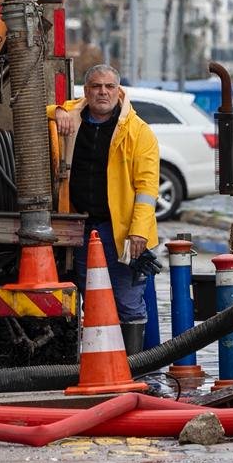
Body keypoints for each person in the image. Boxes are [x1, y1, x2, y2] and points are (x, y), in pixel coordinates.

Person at [50, 64, 161, 353]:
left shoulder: (139, 133)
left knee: (127, 300)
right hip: (83, 229)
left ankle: (133, 368)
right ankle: (102, 362)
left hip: (121, 232)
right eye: (97, 87)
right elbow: (41, 111)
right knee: (92, 297)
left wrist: (138, 232)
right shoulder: (72, 118)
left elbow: (147, 189)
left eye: (109, 87)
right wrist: (57, 112)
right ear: (86, 92)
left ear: (119, 90)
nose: (103, 92)